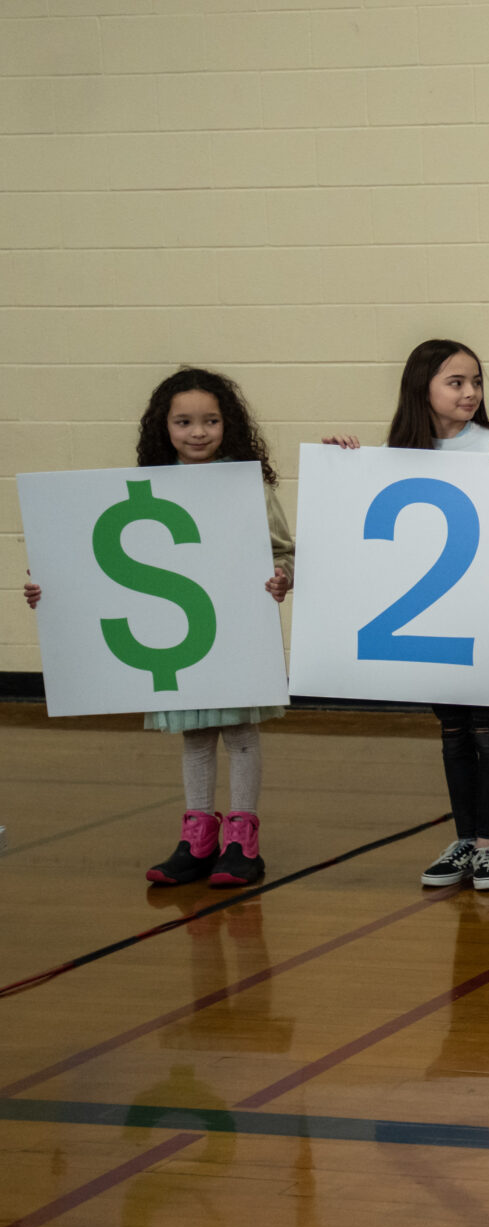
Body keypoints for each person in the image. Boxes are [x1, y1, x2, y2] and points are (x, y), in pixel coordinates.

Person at [25, 368, 294, 887]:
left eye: (211, 420)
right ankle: (198, 838)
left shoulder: (248, 486)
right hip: (176, 640)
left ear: (228, 424)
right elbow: (91, 565)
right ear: (163, 427)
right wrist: (51, 593)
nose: (198, 431)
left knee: (240, 733)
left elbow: (284, 552)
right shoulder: (140, 492)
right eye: (185, 421)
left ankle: (242, 840)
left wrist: (282, 578)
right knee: (194, 736)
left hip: (233, 634)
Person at [323, 339, 489, 893]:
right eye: (456, 382)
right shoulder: (398, 454)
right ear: (422, 389)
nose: (470, 393)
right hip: (430, 621)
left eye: (476, 381)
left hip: (487, 613)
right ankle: (464, 837)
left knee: (488, 727)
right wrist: (341, 465)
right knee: (454, 729)